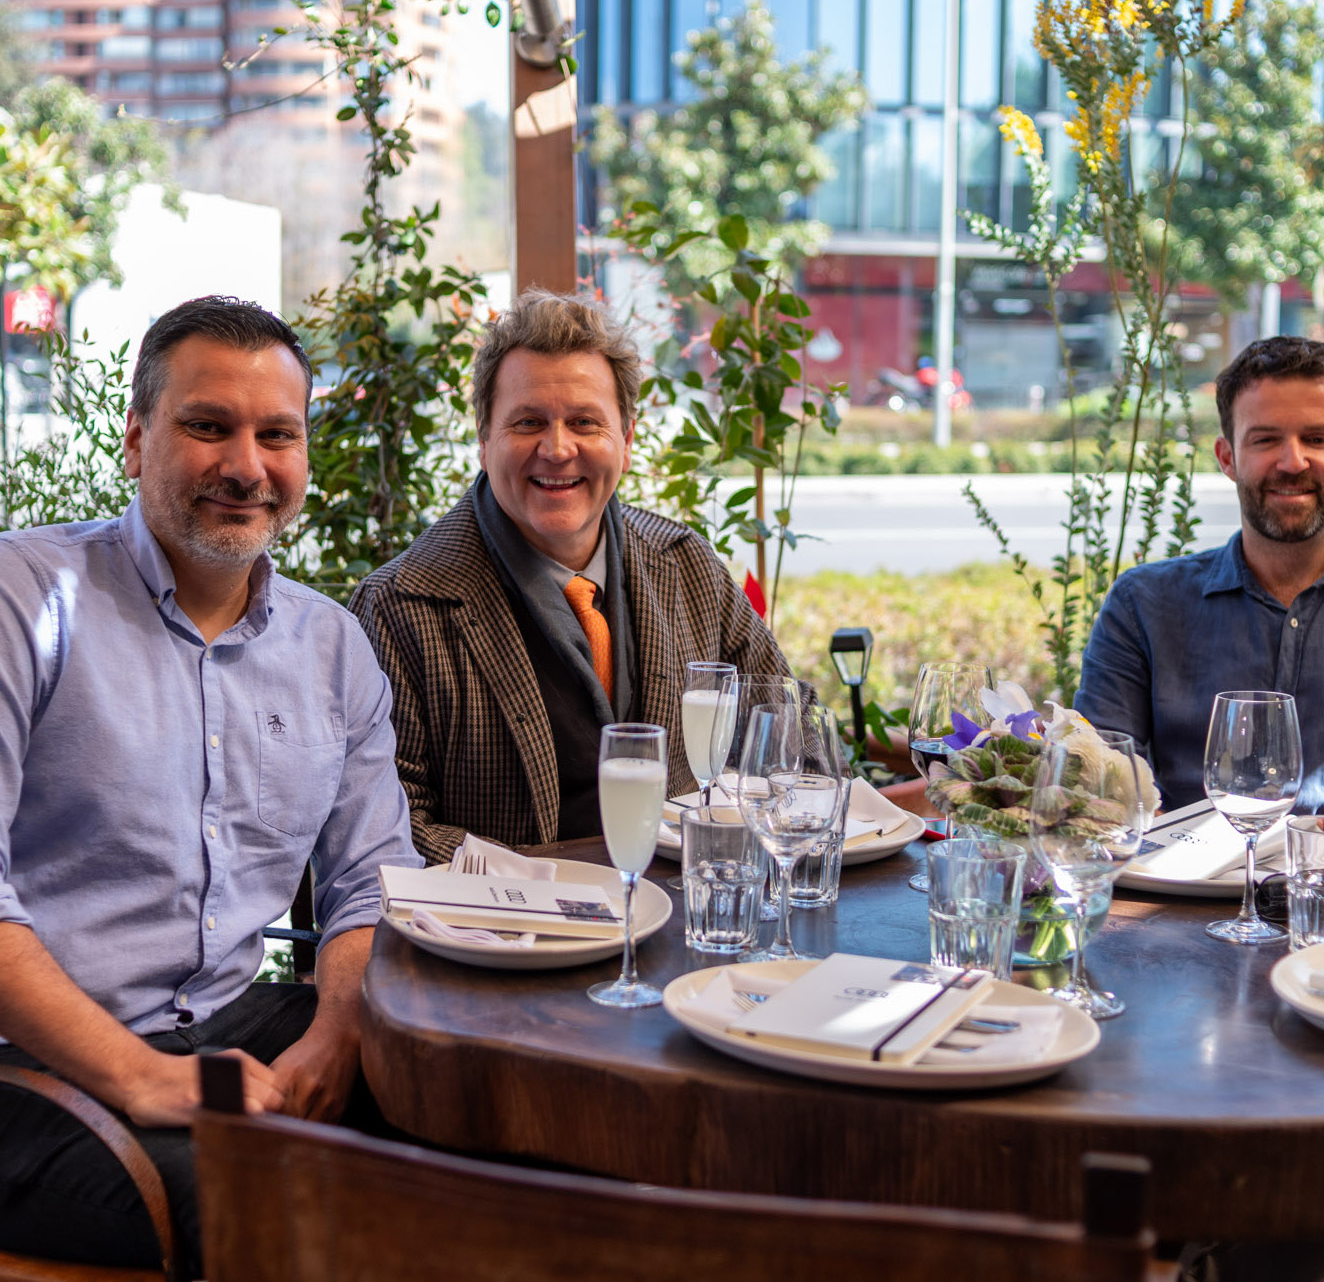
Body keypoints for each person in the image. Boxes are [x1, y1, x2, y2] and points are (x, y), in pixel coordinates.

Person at [0, 296, 421, 1277]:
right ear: (137, 439)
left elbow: (371, 879)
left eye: (277, 434)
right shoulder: (22, 601)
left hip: (233, 1028)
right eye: (207, 426)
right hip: (27, 1063)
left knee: (476, 1127)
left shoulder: (333, 647)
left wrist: (335, 1036)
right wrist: (143, 1078)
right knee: (299, 1218)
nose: (246, 465)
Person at [350, 288, 795, 861]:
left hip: (684, 928)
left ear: (627, 440)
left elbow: (786, 739)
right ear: (484, 440)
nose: (558, 450)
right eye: (528, 421)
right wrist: (544, 889)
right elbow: (385, 824)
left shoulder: (689, 567)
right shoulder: (398, 606)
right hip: (506, 937)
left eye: (585, 422)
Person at [1076, 335, 1324, 869]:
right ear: (1228, 457)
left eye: (1317, 438)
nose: (1292, 461)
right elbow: (1095, 795)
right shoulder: (1144, 605)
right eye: (1265, 440)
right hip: (1183, 914)